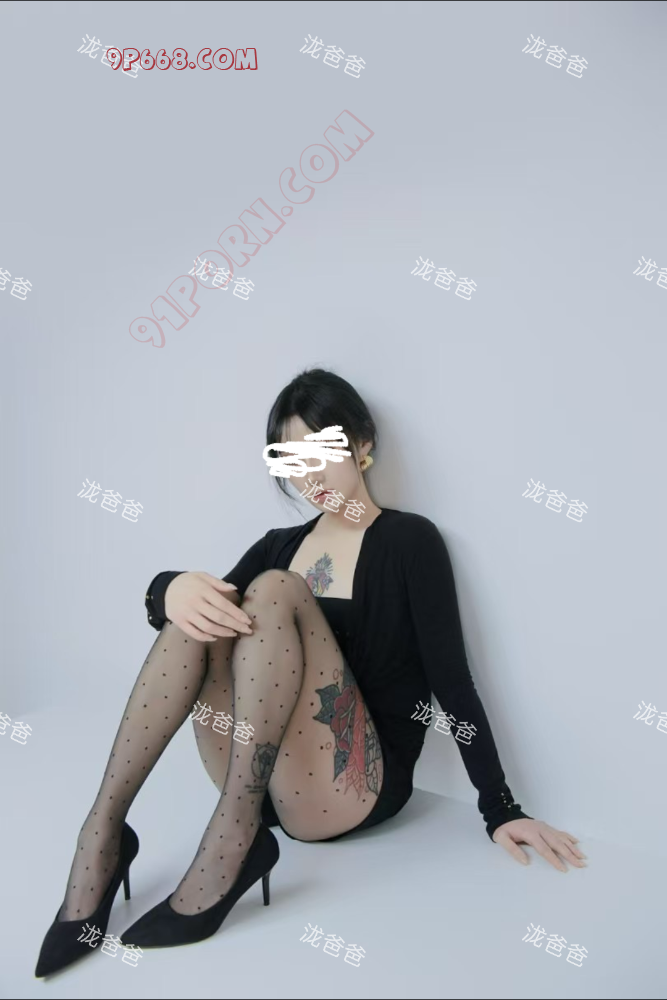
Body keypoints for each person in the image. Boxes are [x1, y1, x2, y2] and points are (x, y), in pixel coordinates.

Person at [36, 368, 586, 977]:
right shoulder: (278, 542)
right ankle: (104, 832)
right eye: (291, 460)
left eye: (321, 452)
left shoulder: (409, 540)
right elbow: (196, 627)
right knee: (203, 607)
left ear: (363, 443)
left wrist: (500, 808)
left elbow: (452, 683)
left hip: (354, 786)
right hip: (260, 781)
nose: (308, 476)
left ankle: (233, 841)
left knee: (274, 589)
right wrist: (165, 588)